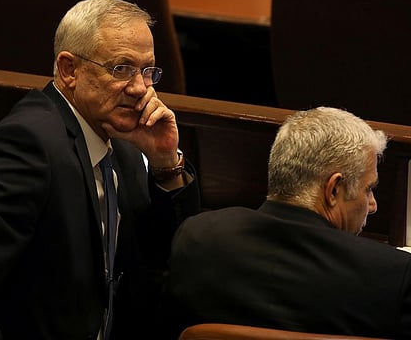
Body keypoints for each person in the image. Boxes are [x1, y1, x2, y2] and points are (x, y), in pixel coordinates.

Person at [0, 0, 200, 340]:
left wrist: (166, 161)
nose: (139, 88)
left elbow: (166, 262)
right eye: (121, 69)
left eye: (147, 71)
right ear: (69, 69)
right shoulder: (25, 145)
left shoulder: (124, 144)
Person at [159, 106, 411, 339]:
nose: (373, 204)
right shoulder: (393, 276)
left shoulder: (196, 238)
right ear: (333, 190)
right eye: (368, 189)